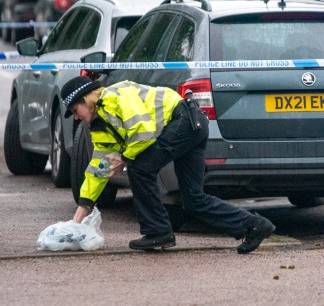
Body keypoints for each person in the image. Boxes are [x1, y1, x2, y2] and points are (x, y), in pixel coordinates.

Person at [64, 76, 276, 253]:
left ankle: (158, 232)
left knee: (139, 167)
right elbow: (99, 170)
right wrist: (78, 219)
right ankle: (255, 225)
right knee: (193, 199)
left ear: (87, 99)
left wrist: (126, 158)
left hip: (184, 121)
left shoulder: (117, 96)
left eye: (75, 110)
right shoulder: (99, 128)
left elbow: (143, 132)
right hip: (192, 125)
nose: (76, 117)